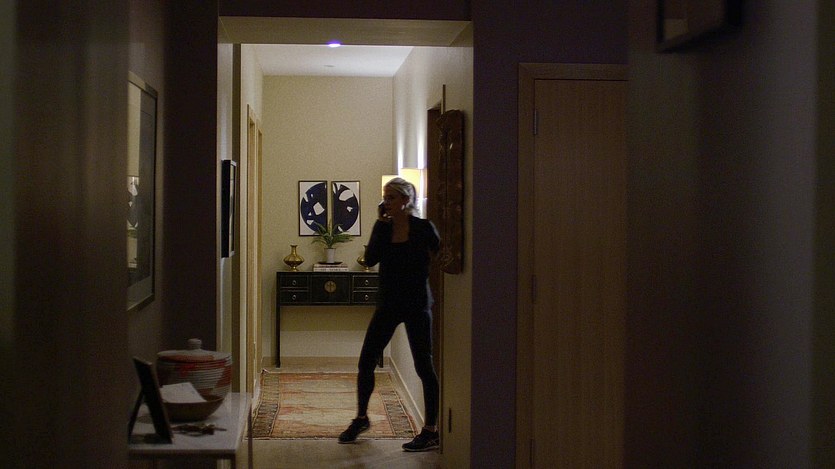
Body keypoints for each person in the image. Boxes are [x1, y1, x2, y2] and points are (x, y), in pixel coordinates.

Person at [338, 177, 441, 452]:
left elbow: (442, 257)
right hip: (388, 304)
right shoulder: (383, 228)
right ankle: (361, 418)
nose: (386, 202)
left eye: (391, 197)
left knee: (424, 366)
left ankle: (431, 430)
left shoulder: (424, 228)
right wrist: (380, 225)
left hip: (417, 304)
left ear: (405, 200)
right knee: (366, 361)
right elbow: (370, 259)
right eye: (385, 197)